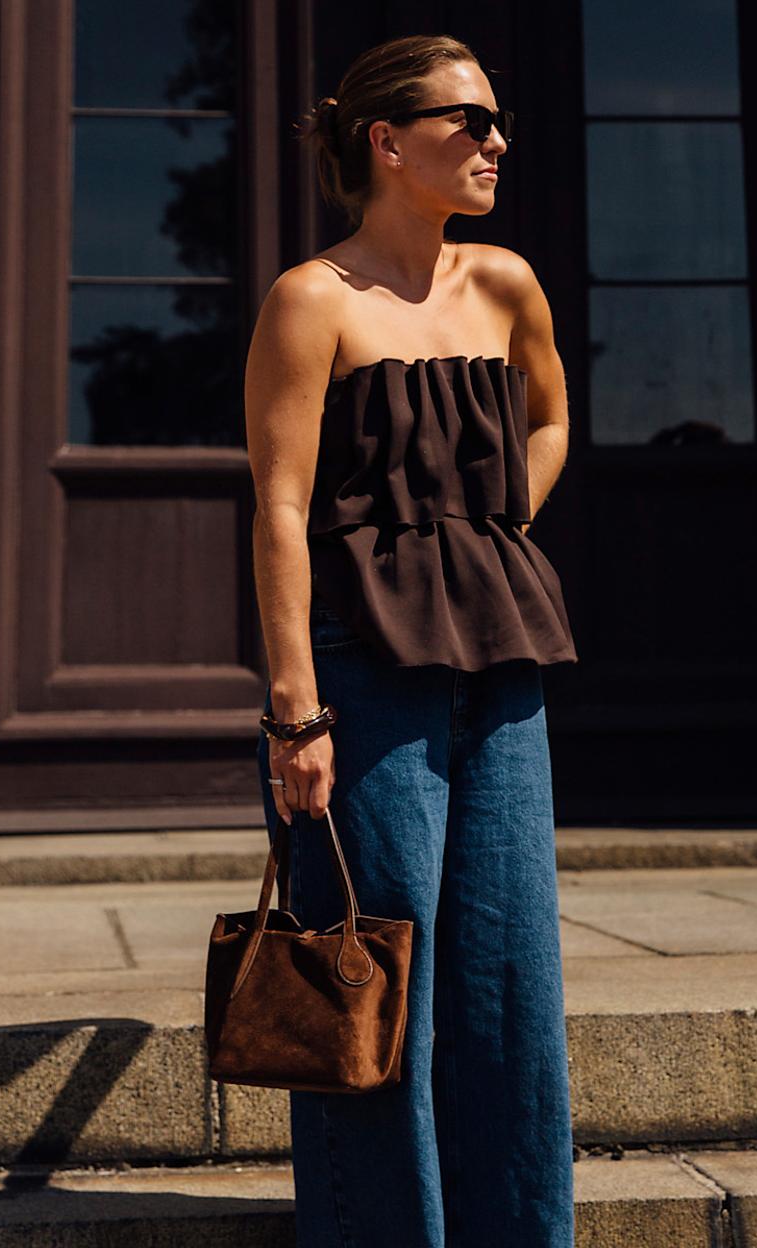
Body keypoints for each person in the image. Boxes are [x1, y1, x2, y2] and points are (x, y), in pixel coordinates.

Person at [244, 32, 579, 1248]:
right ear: (387, 143)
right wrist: (295, 709)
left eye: (496, 122)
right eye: (468, 121)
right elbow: (280, 505)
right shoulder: (311, 300)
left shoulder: (504, 284)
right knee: (377, 980)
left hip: (500, 656)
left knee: (506, 987)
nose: (495, 142)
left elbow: (546, 422)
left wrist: (478, 537)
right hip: (357, 669)